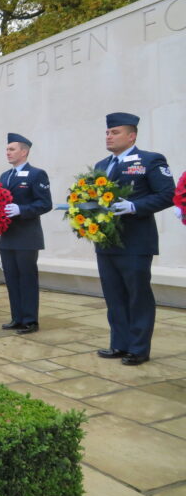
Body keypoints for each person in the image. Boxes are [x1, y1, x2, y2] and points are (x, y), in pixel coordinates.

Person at [94, 113, 175, 365]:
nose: (109, 136)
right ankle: (119, 344)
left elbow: (168, 194)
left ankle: (138, 348)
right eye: (107, 132)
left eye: (115, 132)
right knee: (114, 295)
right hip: (106, 242)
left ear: (132, 135)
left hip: (136, 242)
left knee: (137, 295)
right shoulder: (101, 165)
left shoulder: (150, 160)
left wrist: (134, 206)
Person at [0, 133, 52, 335]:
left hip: (27, 236)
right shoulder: (6, 176)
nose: (8, 152)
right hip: (7, 235)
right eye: (7, 149)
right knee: (11, 278)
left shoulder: (36, 174)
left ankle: (30, 320)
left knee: (27, 278)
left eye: (11, 149)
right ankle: (17, 317)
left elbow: (45, 203)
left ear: (24, 151)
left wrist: (21, 210)